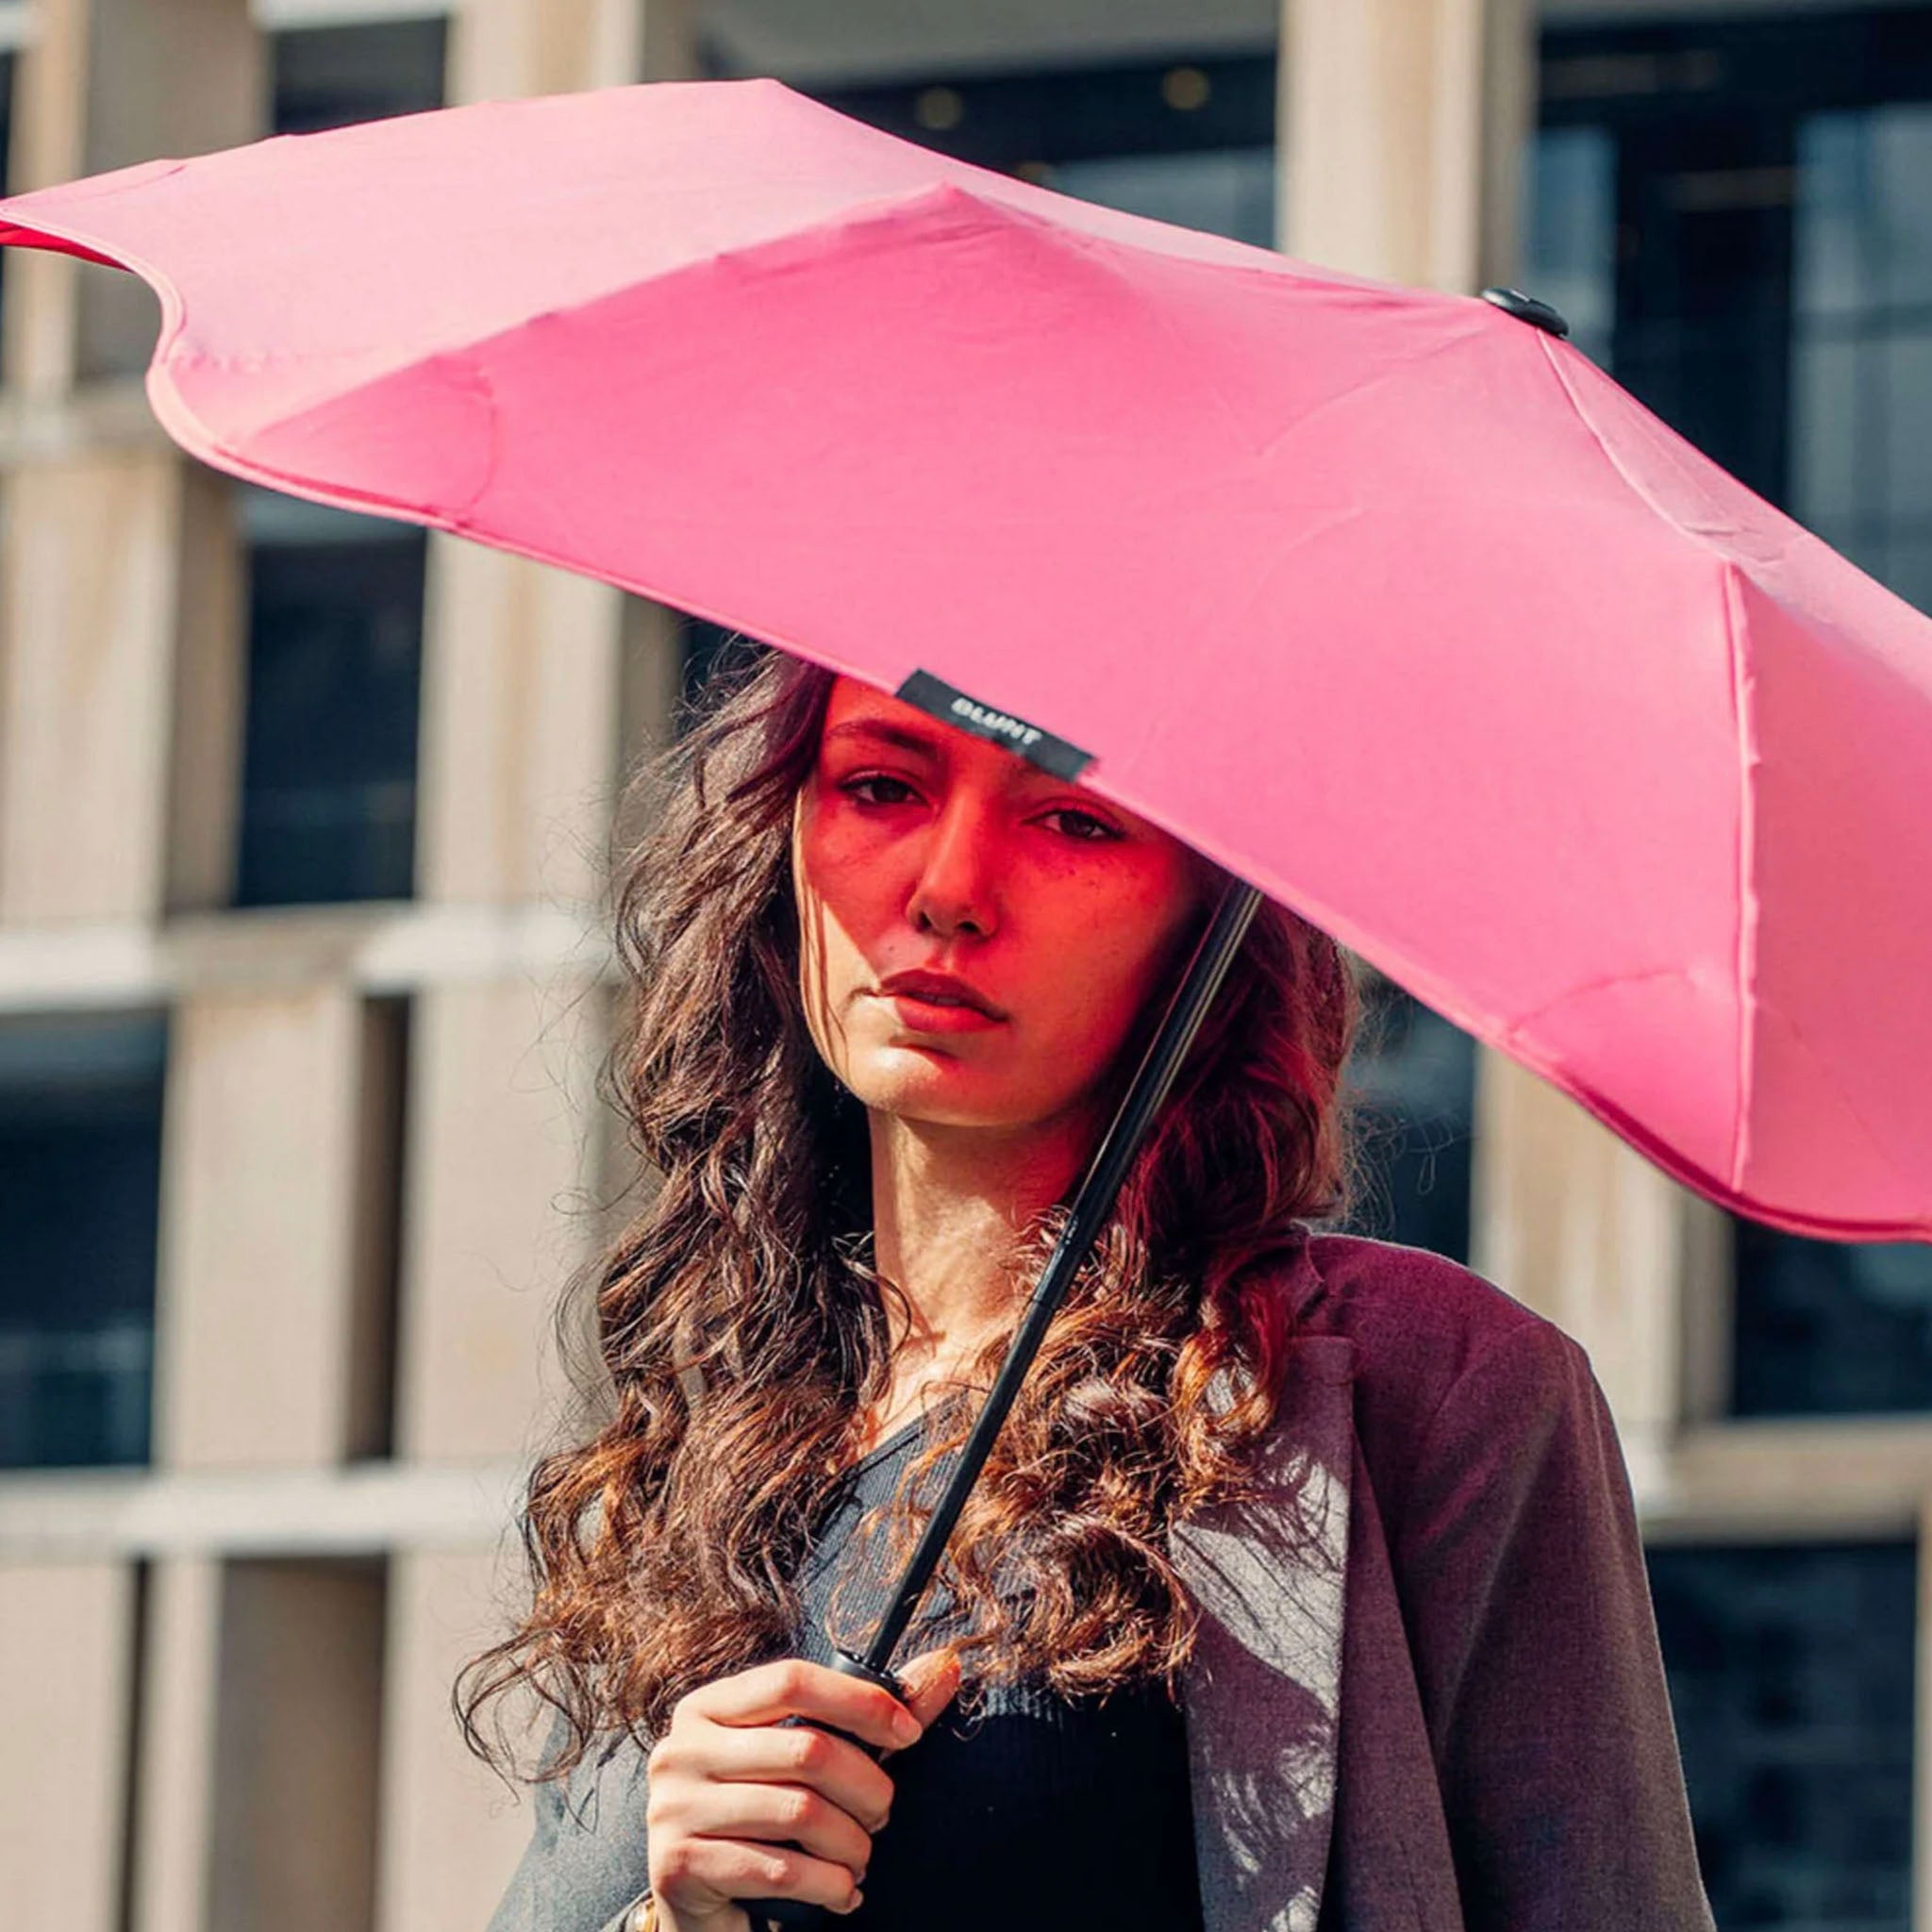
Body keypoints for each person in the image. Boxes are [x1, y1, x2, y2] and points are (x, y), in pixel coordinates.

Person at [468, 642, 1715, 1932]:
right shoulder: (697, 1455)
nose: (950, 891)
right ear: (784, 840)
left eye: (1073, 819)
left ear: (1202, 917)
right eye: (883, 788)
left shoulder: (1432, 1390)